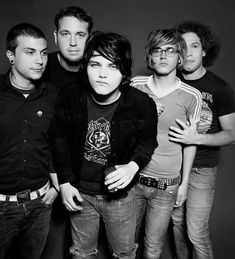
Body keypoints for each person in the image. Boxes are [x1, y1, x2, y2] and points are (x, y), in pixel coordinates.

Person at [51, 31, 158, 259]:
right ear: (85, 66)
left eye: (112, 66)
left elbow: (148, 143)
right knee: (81, 253)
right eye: (95, 64)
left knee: (125, 254)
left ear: (124, 71)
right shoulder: (69, 95)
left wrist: (132, 167)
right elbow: (58, 139)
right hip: (80, 192)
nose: (101, 74)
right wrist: (65, 183)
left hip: (119, 197)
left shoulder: (141, 104)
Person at [131, 29, 202, 259]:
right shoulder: (135, 85)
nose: (163, 56)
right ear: (149, 57)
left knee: (153, 249)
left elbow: (191, 142)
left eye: (170, 50)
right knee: (125, 245)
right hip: (132, 181)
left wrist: (184, 183)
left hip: (167, 186)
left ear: (179, 57)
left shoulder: (192, 96)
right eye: (157, 50)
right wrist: (145, 105)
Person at [169, 21, 235, 259]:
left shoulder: (220, 88)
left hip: (202, 168)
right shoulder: (170, 81)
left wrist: (197, 138)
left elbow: (232, 134)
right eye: (182, 47)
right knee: (177, 227)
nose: (188, 53)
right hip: (172, 167)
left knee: (195, 232)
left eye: (194, 46)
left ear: (204, 50)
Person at [0, 23, 59, 259]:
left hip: (39, 205)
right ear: (11, 56)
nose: (40, 60)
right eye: (30, 52)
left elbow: (59, 145)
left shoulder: (54, 96)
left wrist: (56, 187)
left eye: (43, 52)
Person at [43, 6, 93, 87]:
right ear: (56, 37)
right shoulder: (40, 67)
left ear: (90, 39)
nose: (73, 43)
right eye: (65, 34)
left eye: (80, 35)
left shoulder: (99, 70)